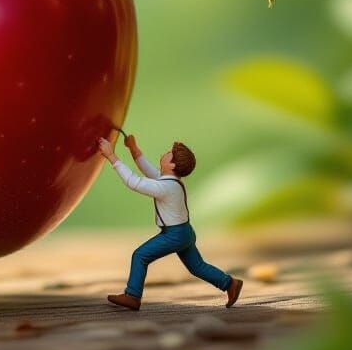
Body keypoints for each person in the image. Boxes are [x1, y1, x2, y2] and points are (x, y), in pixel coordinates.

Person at [96, 131, 243, 311]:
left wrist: (112, 156)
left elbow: (133, 182)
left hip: (174, 235)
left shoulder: (165, 187)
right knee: (197, 266)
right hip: (184, 232)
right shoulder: (171, 182)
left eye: (169, 154)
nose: (165, 154)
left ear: (172, 164)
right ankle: (230, 284)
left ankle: (132, 295)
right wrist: (133, 149)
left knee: (140, 255)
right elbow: (147, 169)